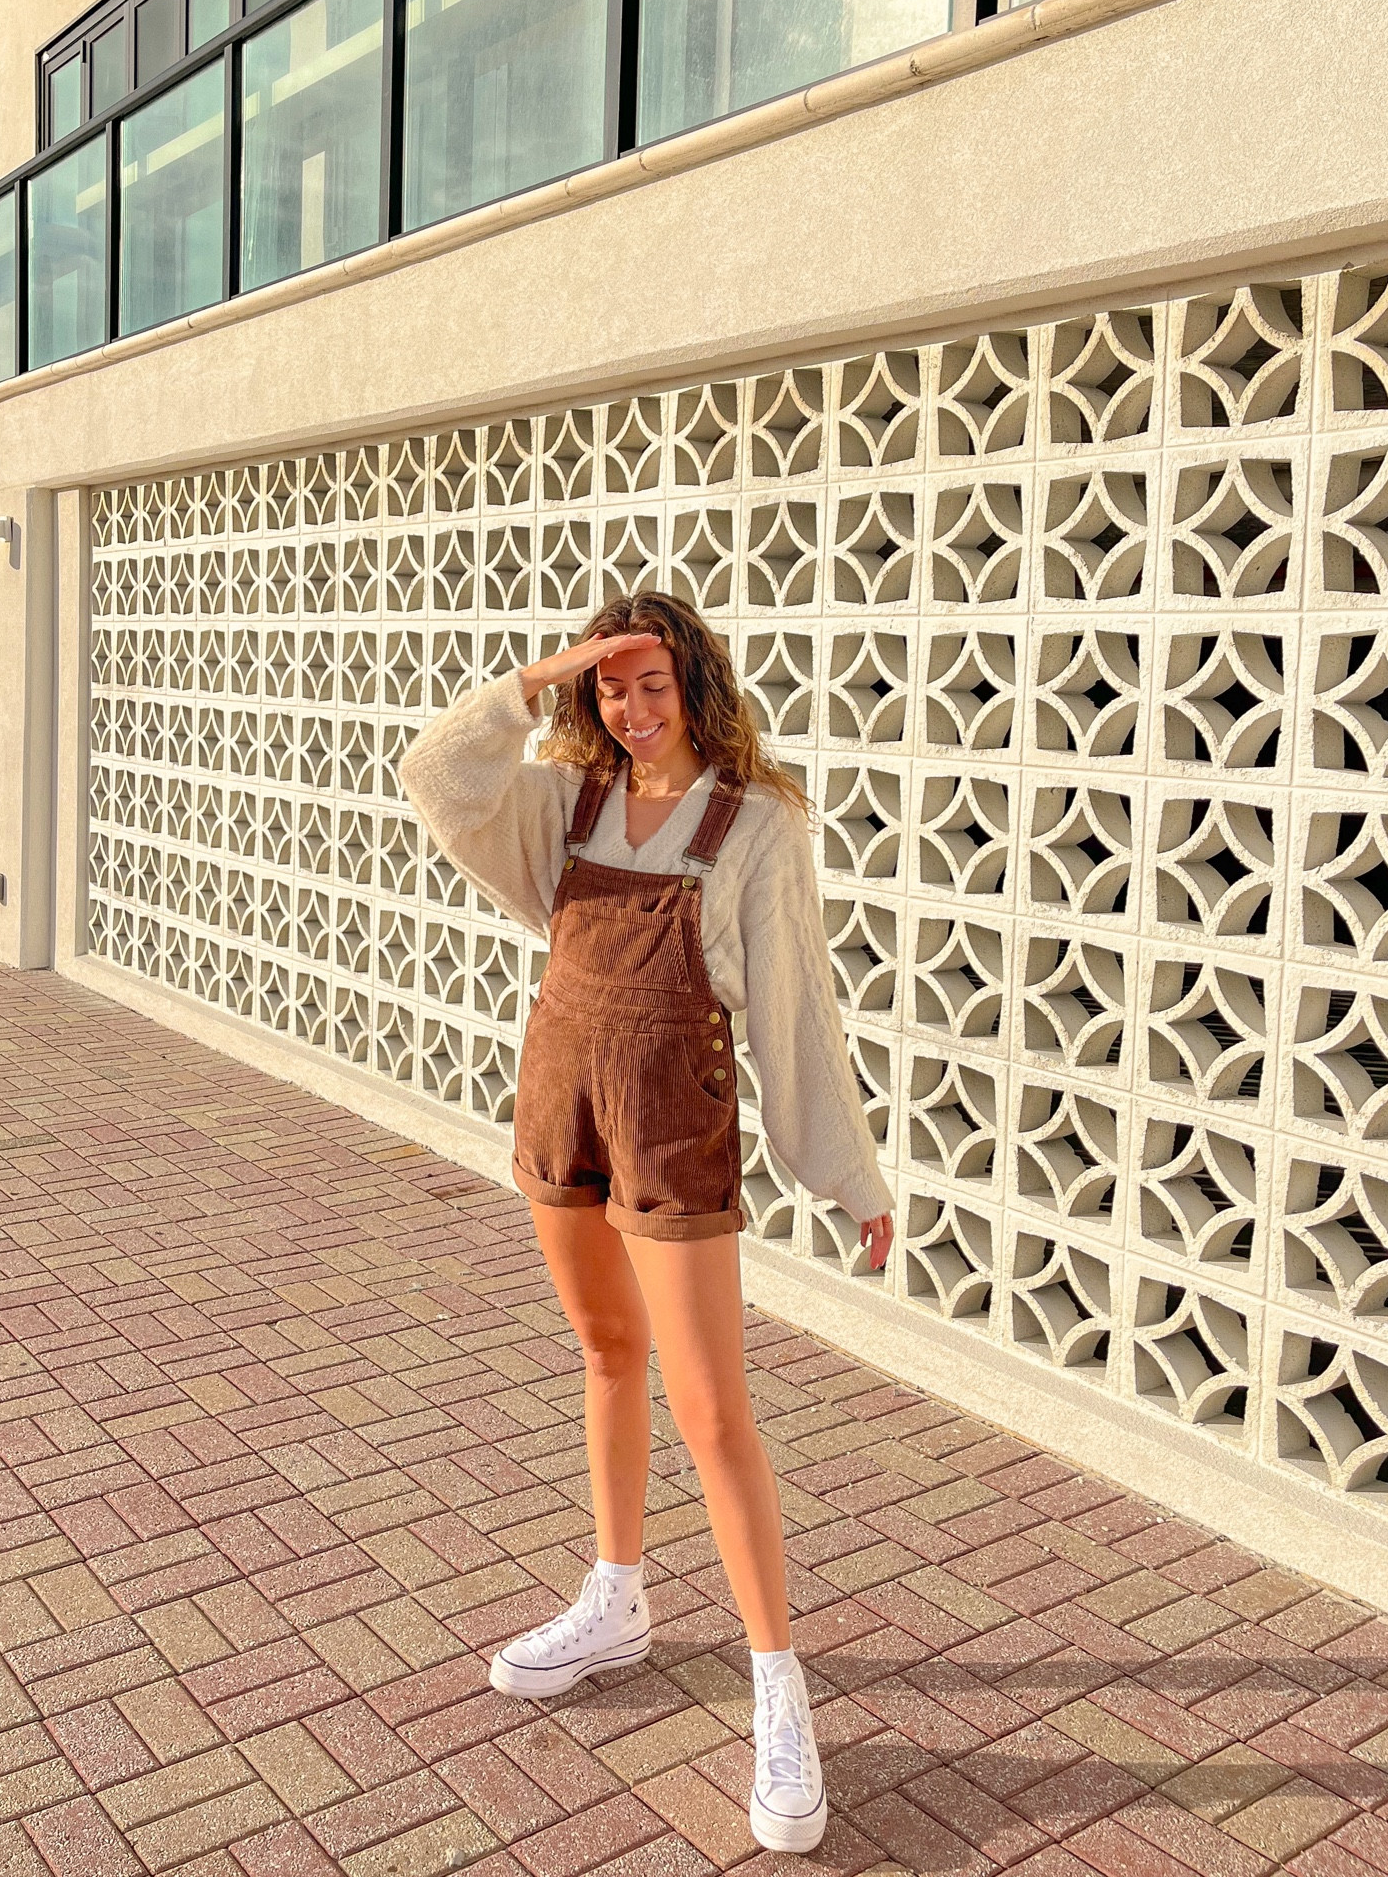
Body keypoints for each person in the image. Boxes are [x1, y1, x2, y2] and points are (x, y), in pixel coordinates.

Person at [400, 590, 893, 1856]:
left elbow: (795, 1005)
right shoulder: (562, 803)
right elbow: (434, 772)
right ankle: (614, 1596)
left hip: (673, 1111)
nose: (630, 705)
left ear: (697, 683)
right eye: (609, 687)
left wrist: (851, 1175)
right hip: (560, 1096)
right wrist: (550, 670)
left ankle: (779, 1685)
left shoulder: (757, 823)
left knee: (715, 1408)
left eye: (651, 680)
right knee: (606, 1354)